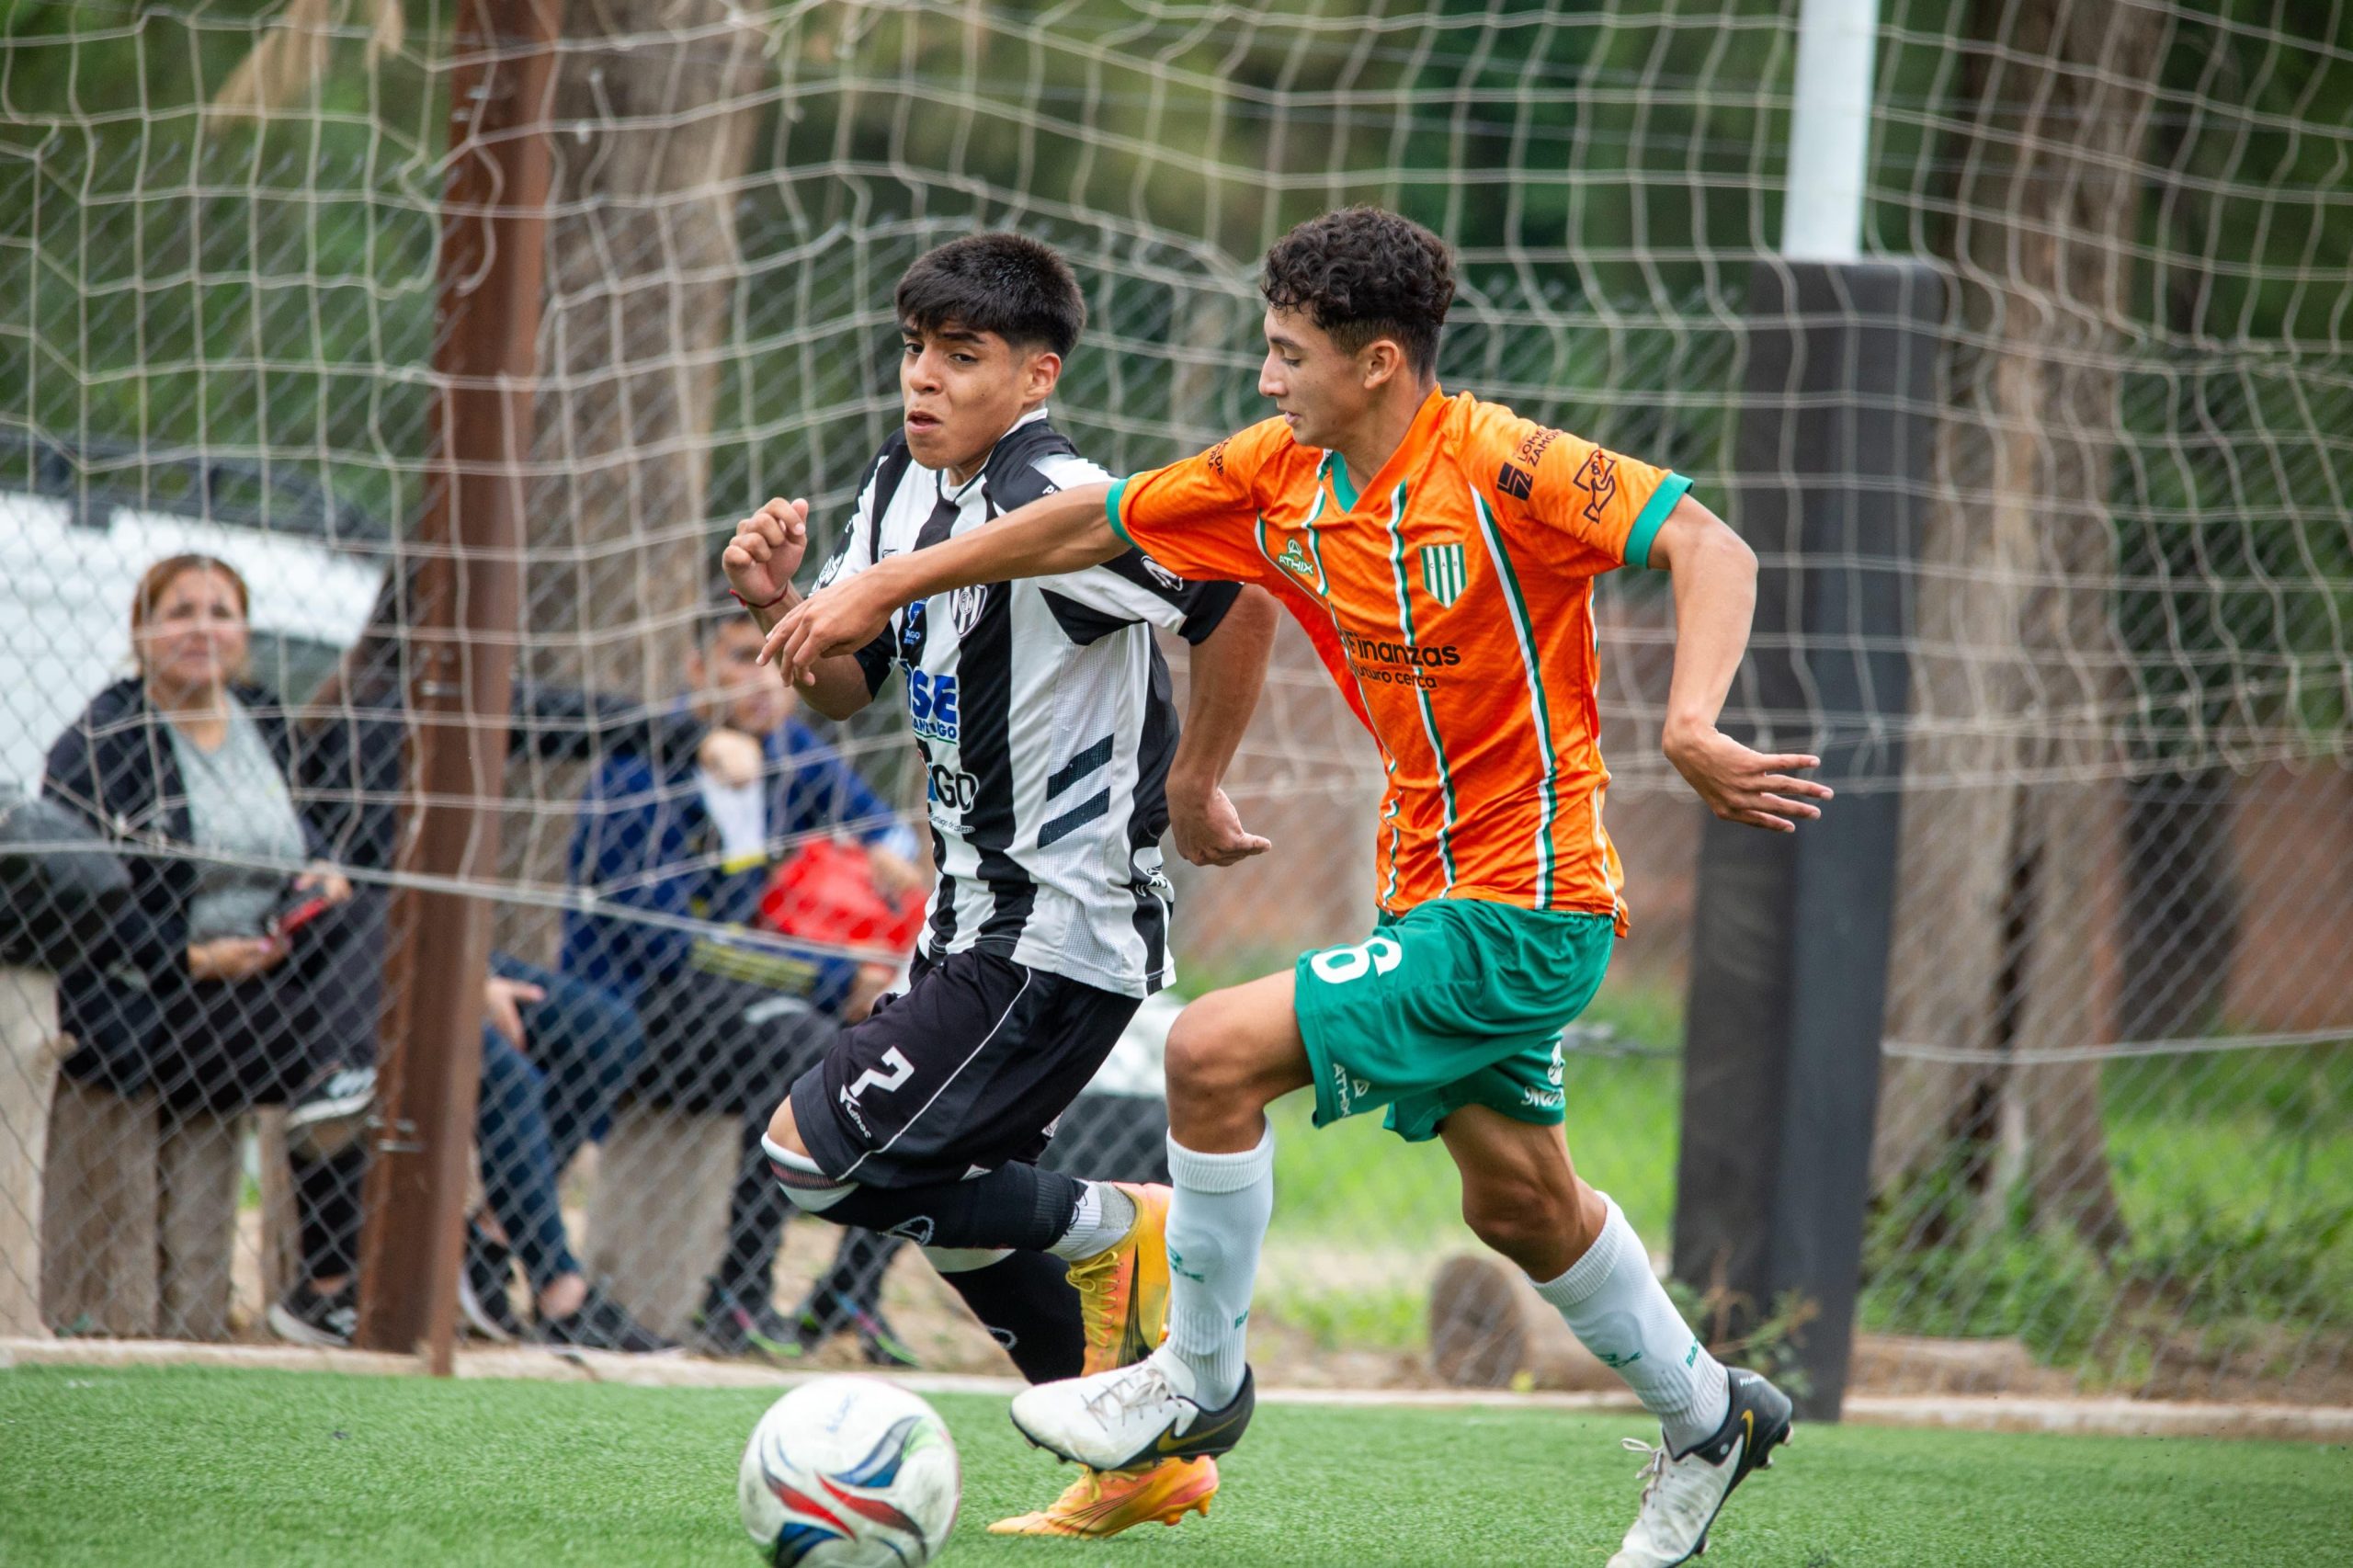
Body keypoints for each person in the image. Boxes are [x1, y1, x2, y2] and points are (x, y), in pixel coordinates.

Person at [765, 208, 1832, 1568]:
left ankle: (1195, 1383)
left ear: (1377, 361)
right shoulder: (1280, 471)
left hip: (1527, 903)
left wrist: (1689, 722)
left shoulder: (1503, 463)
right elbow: (1095, 518)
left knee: (1211, 1053)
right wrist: (888, 583)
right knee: (1519, 1203)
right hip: (1425, 890)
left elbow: (1712, 546)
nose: (1266, 377)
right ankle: (1709, 1416)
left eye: (1288, 352)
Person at [723, 231, 1279, 1539]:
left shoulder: (1067, 498)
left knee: (808, 1159)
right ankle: (1145, 1459)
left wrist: (1196, 780)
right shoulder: (897, 484)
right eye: (914, 349)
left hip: (1058, 928)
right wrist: (776, 605)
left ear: (1036, 375)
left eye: (961, 356)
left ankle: (1118, 1222)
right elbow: (849, 686)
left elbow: (1239, 597)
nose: (923, 378)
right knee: (960, 1211)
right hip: (965, 916)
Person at [296, 565, 744, 1352]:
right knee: (505, 1067)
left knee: (602, 1030)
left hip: (444, 954)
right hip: (357, 975)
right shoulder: (370, 719)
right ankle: (561, 1293)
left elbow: (576, 719)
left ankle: (491, 1242)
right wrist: (466, 981)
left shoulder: (471, 703)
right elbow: (366, 902)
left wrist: (696, 738)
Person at [560, 598, 926, 1368]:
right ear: (695, 669)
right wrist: (831, 975)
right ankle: (739, 1290)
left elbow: (884, 826)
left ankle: (849, 1292)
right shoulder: (640, 767)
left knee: (908, 1053)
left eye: (780, 664)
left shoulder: (788, 750)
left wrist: (883, 852)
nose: (764, 683)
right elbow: (668, 947)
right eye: (739, 660)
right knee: (804, 1046)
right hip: (636, 1013)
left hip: (735, 1004)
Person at [41, 553, 372, 1345]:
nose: (203, 629)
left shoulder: (261, 716)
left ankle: (341, 1084)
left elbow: (296, 832)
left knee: (372, 914)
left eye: (221, 612)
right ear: (142, 632)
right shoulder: (103, 740)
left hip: (266, 975)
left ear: (245, 631)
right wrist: (194, 958)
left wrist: (321, 869)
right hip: (159, 993)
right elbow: (75, 897)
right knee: (382, 1037)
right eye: (181, 612)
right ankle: (337, 1095)